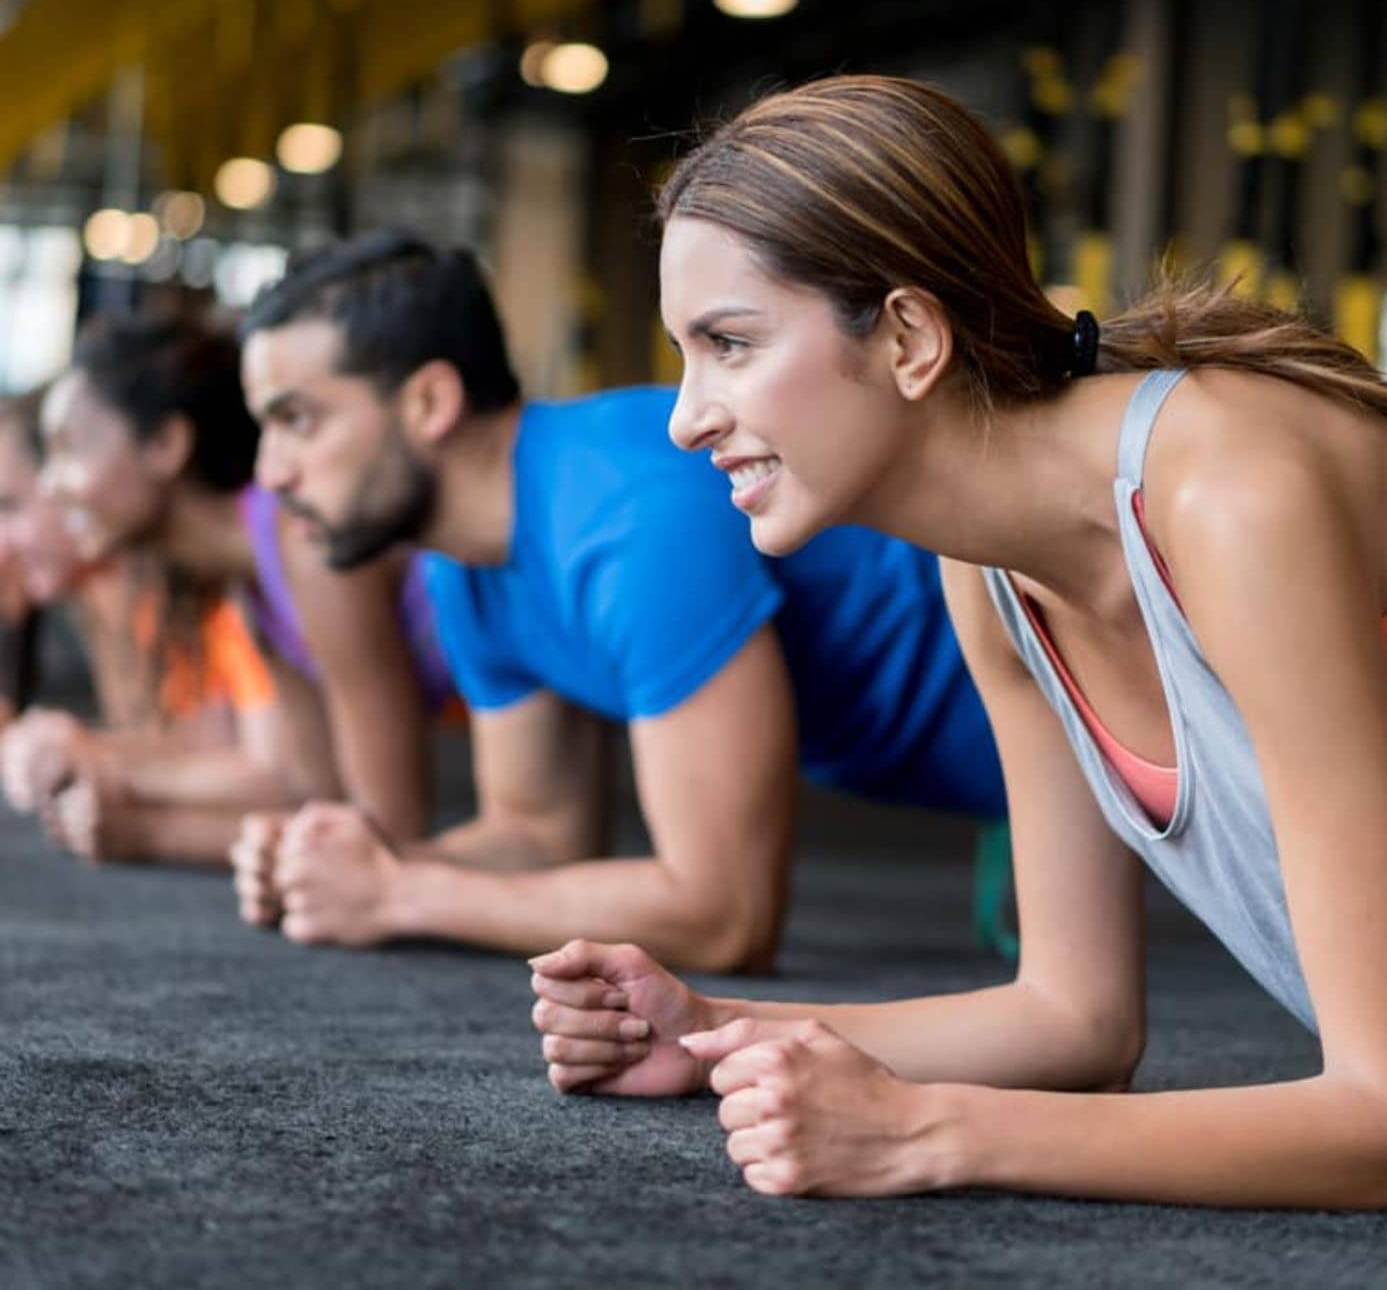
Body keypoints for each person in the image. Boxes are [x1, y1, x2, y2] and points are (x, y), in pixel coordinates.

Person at [530, 74, 1387, 1210]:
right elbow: (1074, 1021)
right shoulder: (992, 570)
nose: (683, 416)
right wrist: (716, 1032)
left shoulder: (1231, 498)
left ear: (910, 336)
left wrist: (922, 1132)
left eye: (730, 344)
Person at [230, 229, 1005, 969]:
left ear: (430, 401)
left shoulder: (623, 517)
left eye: (298, 420)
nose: (270, 474)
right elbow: (536, 835)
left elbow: (726, 916)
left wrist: (400, 895)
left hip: (1102, 732)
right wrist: (347, 865)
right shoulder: (464, 565)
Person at [31, 309, 452, 866]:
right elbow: (307, 783)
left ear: (165, 444)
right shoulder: (248, 572)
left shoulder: (304, 541)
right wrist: (133, 809)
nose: (49, 484)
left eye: (68, 449)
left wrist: (155, 833)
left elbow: (389, 828)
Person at [1, 386, 273, 837]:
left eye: (12, 506)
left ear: (164, 448)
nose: (5, 541)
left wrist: (89, 754)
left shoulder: (211, 574)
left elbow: (255, 759)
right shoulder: (100, 601)